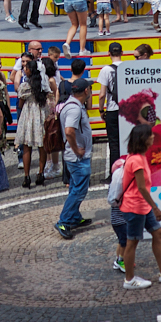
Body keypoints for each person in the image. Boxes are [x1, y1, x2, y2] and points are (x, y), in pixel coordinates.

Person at [120, 124, 161, 289]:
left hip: (142, 205)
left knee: (158, 233)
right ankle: (129, 280)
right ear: (143, 139)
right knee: (132, 242)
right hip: (135, 207)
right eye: (150, 135)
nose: (153, 137)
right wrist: (155, 207)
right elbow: (141, 188)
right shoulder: (136, 160)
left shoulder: (139, 156)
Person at [55, 78, 94, 240]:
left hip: (75, 156)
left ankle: (75, 217)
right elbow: (69, 131)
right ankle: (64, 221)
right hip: (77, 157)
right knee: (79, 190)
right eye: (90, 88)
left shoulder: (73, 105)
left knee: (75, 188)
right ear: (85, 91)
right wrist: (77, 150)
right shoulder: (74, 109)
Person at [16, 55, 53, 188]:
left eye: (26, 68)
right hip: (42, 114)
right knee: (42, 146)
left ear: (30, 71)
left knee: (27, 146)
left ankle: (26, 176)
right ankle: (40, 173)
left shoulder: (25, 86)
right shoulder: (44, 85)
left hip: (28, 115)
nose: (24, 70)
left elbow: (20, 104)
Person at [98, 42, 125, 179]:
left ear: (108, 53)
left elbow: (102, 94)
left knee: (114, 144)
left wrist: (101, 110)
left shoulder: (105, 70)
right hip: (126, 110)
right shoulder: (127, 67)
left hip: (113, 109)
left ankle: (114, 174)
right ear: (122, 53)